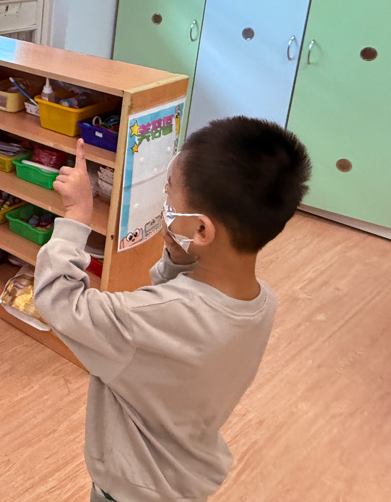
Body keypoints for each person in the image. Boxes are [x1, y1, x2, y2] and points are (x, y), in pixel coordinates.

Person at [34, 117, 311, 502]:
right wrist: (180, 264)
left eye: (169, 192)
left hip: (130, 490)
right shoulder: (262, 302)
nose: (164, 201)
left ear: (201, 230)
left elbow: (58, 301)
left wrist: (77, 215)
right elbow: (175, 332)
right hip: (183, 480)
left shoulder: (143, 321)